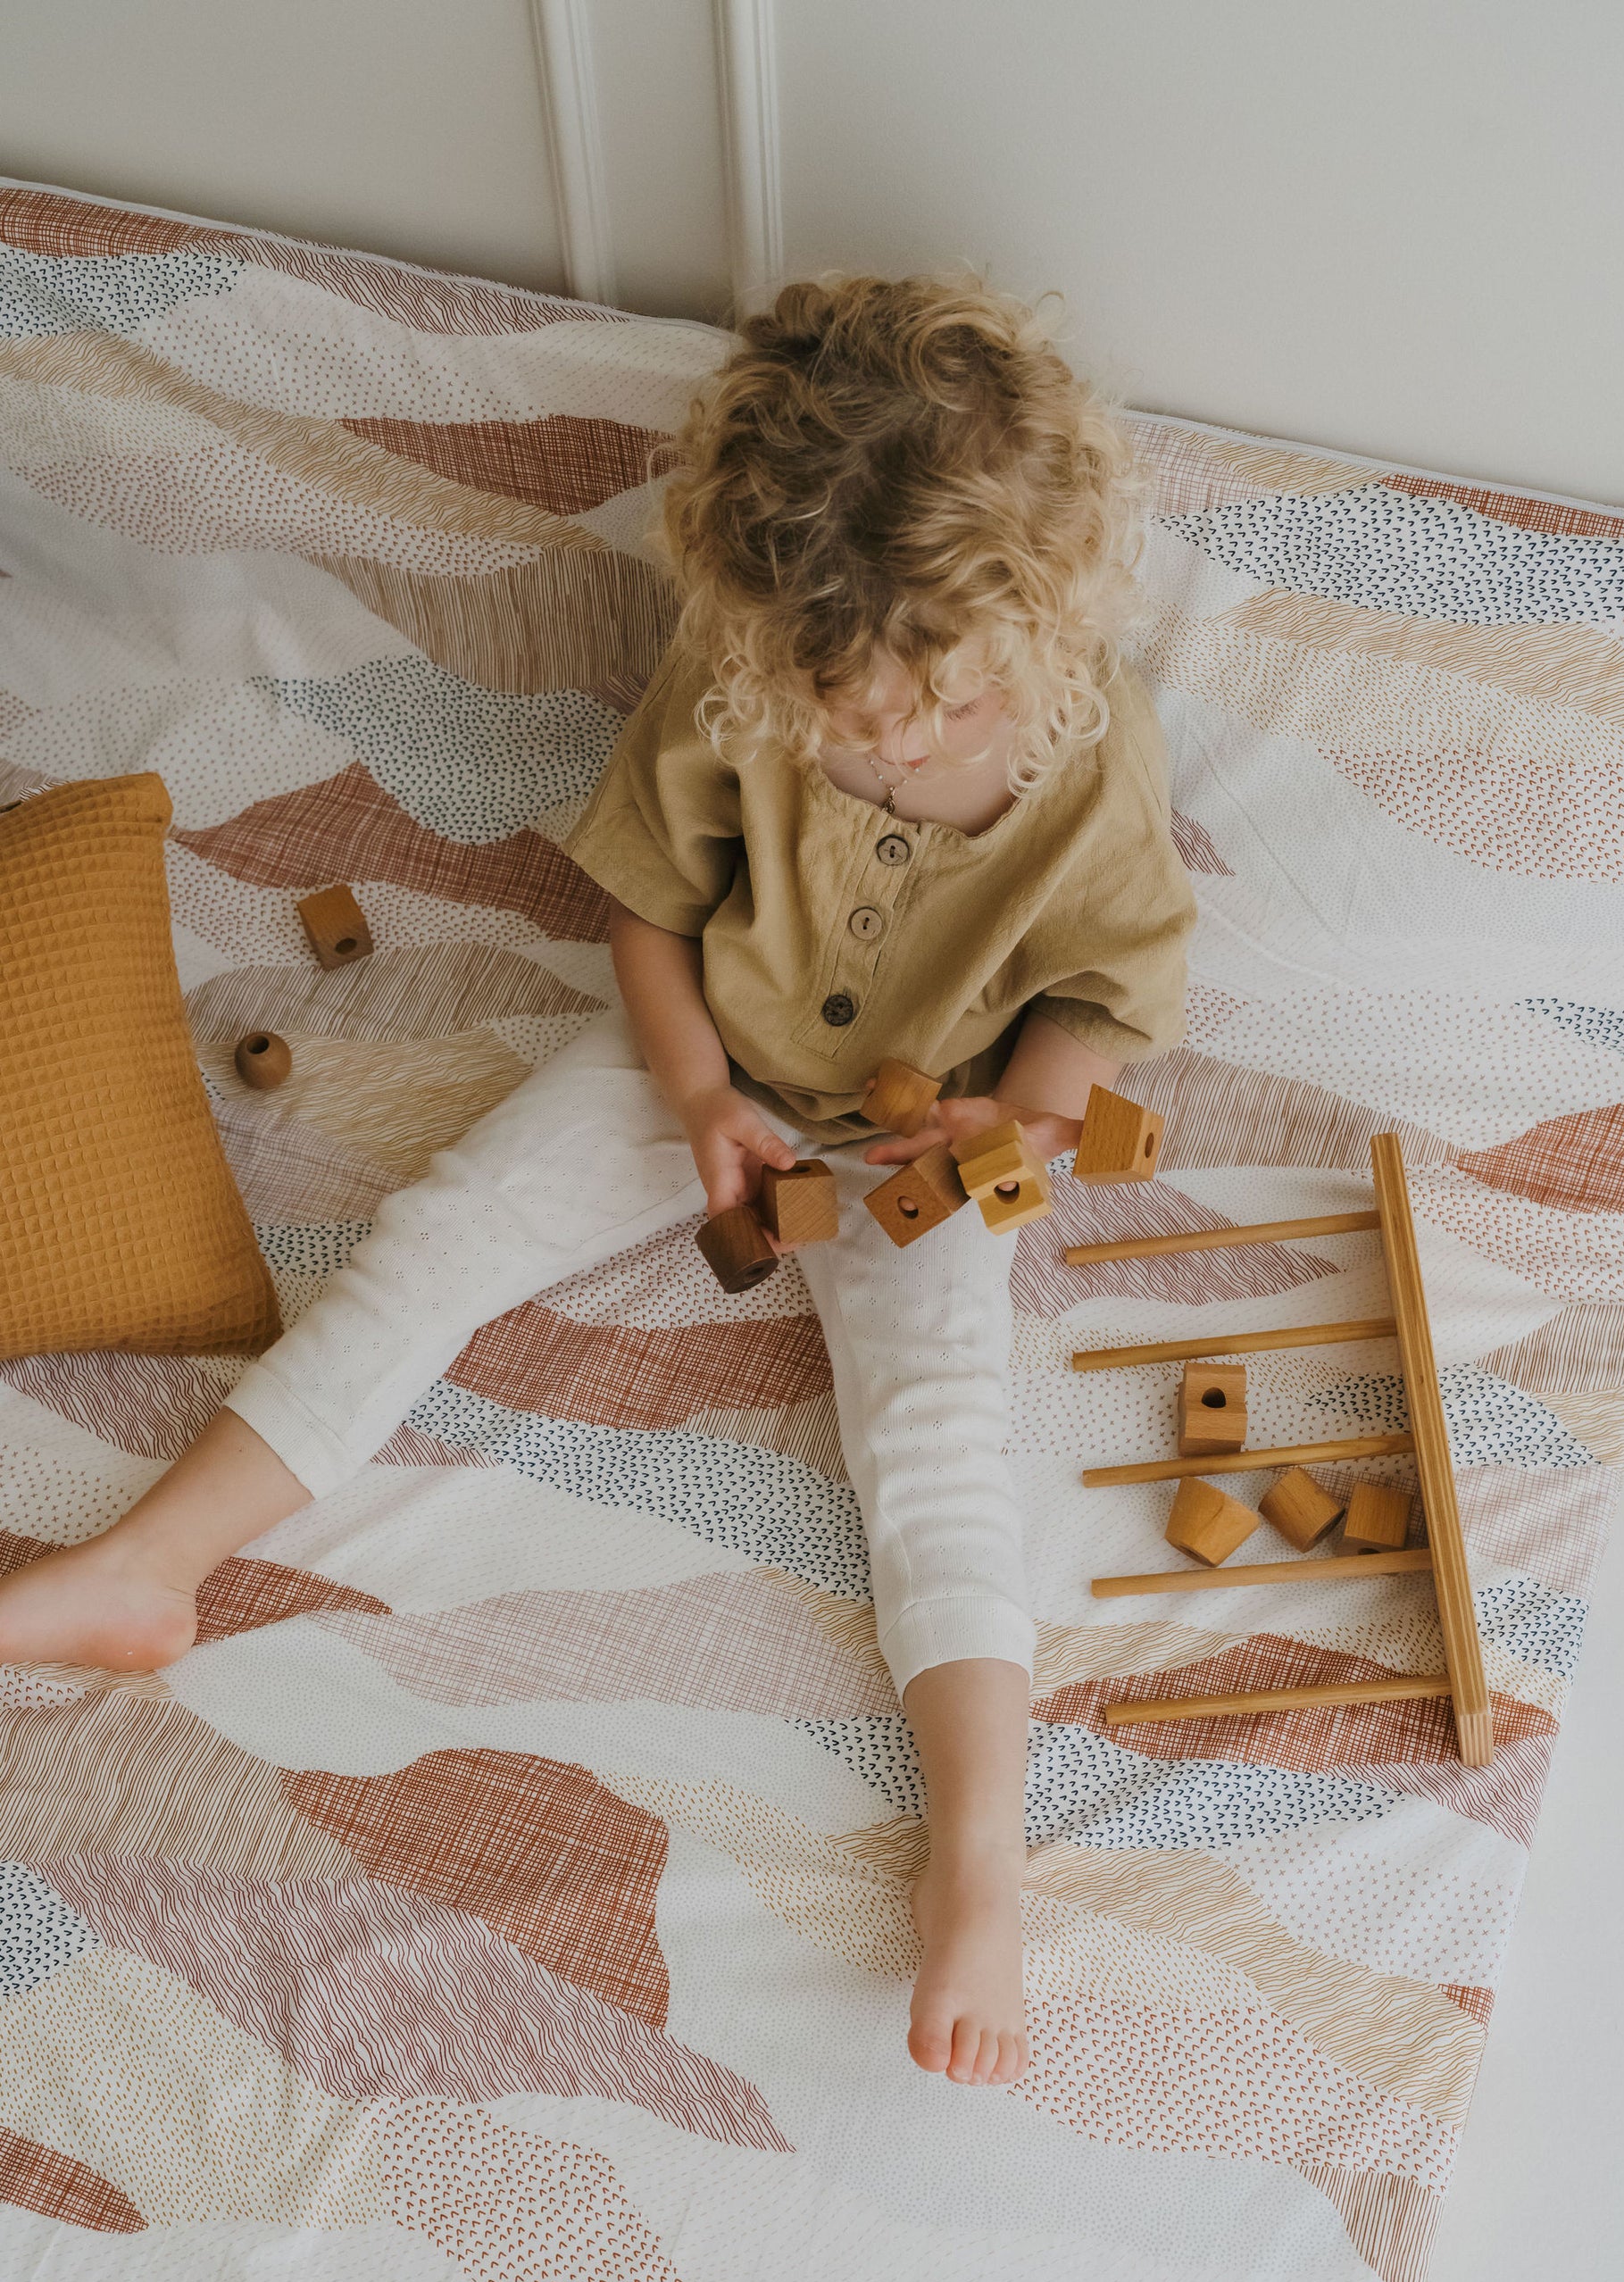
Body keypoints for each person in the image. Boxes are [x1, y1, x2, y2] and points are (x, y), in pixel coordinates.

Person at [0, 273, 1193, 2090]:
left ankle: (976, 1857)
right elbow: (647, 903)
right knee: (442, 1235)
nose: (877, 755)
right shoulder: (745, 685)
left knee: (940, 1428)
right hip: (701, 1056)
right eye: (843, 722)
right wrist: (699, 1086)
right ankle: (154, 1563)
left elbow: (1105, 990)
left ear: (1037, 627)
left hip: (925, 1128)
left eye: (922, 724)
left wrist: (1015, 1128)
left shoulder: (1086, 758)